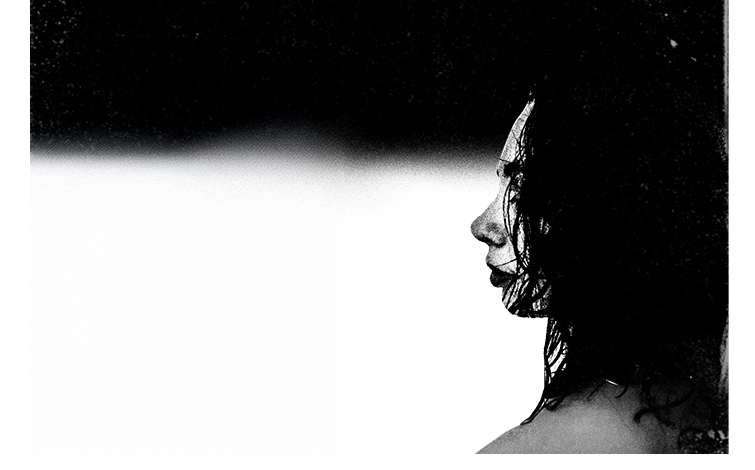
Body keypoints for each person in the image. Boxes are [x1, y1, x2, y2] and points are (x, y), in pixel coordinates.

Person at [470, 48, 727, 453]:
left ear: (616, 209)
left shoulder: (552, 451)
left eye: (525, 191)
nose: (482, 226)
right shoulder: (707, 412)